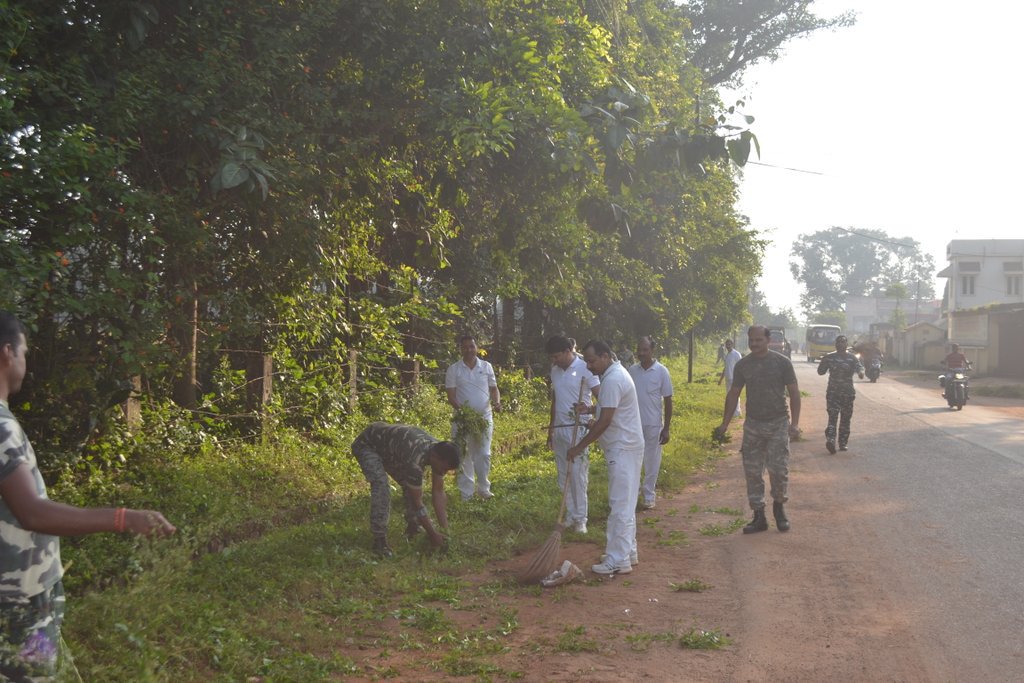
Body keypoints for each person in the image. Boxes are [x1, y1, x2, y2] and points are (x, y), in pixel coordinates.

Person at [0, 311, 176, 681]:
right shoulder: (1, 429)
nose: (25, 362)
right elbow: (32, 512)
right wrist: (123, 518)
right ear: (6, 354)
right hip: (20, 604)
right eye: (24, 352)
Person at [714, 325, 801, 534]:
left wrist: (795, 424)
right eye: (751, 340)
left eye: (759, 340)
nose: (754, 344)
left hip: (778, 423)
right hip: (753, 425)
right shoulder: (743, 365)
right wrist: (725, 423)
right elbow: (733, 394)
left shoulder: (782, 363)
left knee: (779, 471)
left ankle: (779, 509)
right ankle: (759, 516)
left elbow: (794, 394)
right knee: (753, 472)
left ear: (768, 340)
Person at [568, 340, 644, 575]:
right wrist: (589, 409)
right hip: (627, 446)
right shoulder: (615, 375)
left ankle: (617, 559)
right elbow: (609, 409)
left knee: (620, 504)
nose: (589, 367)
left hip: (622, 448)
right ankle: (628, 552)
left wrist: (579, 446)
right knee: (626, 503)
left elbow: (606, 421)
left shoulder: (612, 379)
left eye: (591, 361)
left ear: (605, 356)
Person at [350, 422, 460, 558]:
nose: (444, 472)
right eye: (444, 469)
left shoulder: (440, 451)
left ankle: (413, 527)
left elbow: (438, 493)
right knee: (382, 486)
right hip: (367, 445)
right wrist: (433, 534)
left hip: (392, 451)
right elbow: (418, 502)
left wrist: (445, 531)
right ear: (435, 458)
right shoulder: (416, 458)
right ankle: (379, 541)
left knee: (412, 486)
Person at [545, 336, 600, 534]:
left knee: (577, 475)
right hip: (560, 428)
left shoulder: (586, 368)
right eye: (552, 357)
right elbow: (555, 400)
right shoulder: (555, 371)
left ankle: (580, 519)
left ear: (569, 351)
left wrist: (590, 411)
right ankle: (569, 514)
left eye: (557, 356)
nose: (555, 360)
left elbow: (601, 397)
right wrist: (551, 429)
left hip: (578, 428)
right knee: (563, 475)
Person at [445, 335, 501, 501]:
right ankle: (466, 493)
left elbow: (494, 389)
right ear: (460, 349)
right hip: (462, 420)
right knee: (463, 454)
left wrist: (497, 402)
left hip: (484, 418)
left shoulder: (486, 367)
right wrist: (464, 413)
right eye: (465, 347)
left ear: (477, 347)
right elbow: (451, 396)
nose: (469, 350)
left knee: (483, 453)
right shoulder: (454, 369)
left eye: (471, 346)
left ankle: (484, 489)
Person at [628, 337, 673, 511]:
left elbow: (668, 401)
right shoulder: (632, 370)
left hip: (653, 424)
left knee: (652, 461)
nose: (641, 353)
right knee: (633, 460)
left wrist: (666, 428)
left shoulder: (662, 371)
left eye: (645, 350)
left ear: (652, 350)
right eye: (639, 350)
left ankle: (648, 495)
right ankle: (632, 494)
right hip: (633, 424)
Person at [816, 335, 864, 453]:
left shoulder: (835, 358)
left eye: (842, 342)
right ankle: (837, 442)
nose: (841, 345)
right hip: (841, 393)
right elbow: (821, 371)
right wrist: (860, 373)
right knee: (841, 418)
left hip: (839, 393)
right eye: (840, 342)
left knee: (837, 418)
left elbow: (820, 372)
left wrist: (861, 372)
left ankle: (835, 440)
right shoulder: (849, 358)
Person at [717, 338, 743, 417]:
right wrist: (721, 379)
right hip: (728, 379)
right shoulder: (727, 355)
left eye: (729, 344)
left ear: (732, 345)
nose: (728, 346)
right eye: (726, 345)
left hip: (735, 378)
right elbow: (725, 368)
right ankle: (731, 412)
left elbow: (740, 366)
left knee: (735, 395)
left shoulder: (736, 354)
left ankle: (737, 412)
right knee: (729, 396)